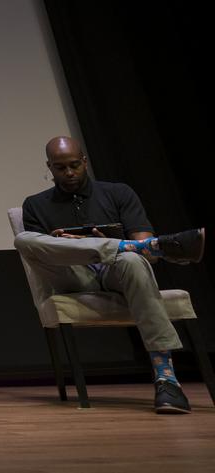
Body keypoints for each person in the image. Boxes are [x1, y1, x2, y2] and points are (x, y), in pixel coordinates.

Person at [16, 136, 205, 414]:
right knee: (23, 240)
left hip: (118, 271)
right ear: (49, 167)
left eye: (73, 166)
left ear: (84, 161)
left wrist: (106, 248)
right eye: (60, 168)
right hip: (72, 276)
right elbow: (44, 253)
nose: (68, 173)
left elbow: (149, 258)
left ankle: (167, 379)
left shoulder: (118, 193)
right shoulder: (35, 204)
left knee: (133, 258)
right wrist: (75, 246)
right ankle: (119, 246)